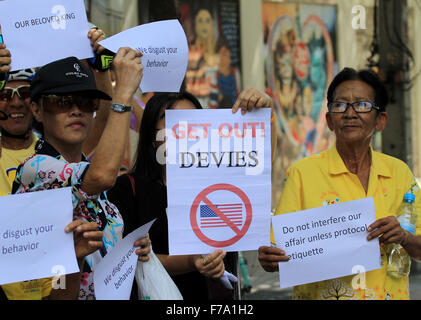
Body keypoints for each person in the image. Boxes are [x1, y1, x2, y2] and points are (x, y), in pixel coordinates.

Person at [258, 67, 421, 300]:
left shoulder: (399, 173)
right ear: (329, 120)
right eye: (340, 105)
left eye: (362, 105)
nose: (350, 113)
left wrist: (404, 237)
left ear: (380, 120)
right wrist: (270, 258)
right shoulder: (302, 174)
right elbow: (277, 252)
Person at [107, 87, 276, 300]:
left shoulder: (223, 177)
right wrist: (192, 261)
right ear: (152, 133)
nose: (184, 128)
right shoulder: (126, 188)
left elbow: (261, 163)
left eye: (192, 120)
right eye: (172, 120)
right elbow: (126, 260)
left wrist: (267, 114)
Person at [11, 47, 150, 300]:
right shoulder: (36, 168)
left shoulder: (91, 178)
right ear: (36, 110)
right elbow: (101, 177)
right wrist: (123, 94)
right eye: (61, 101)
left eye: (86, 102)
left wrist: (132, 250)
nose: (76, 110)